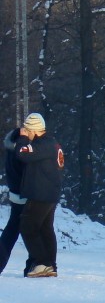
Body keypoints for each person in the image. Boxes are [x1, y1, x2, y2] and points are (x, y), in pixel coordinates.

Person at [15, 113, 64, 278]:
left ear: (33, 130)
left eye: (27, 130)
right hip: (50, 193)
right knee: (45, 229)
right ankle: (51, 265)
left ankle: (43, 263)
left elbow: (22, 153)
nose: (25, 133)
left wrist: (21, 139)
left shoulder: (42, 144)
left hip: (40, 194)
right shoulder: (52, 143)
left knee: (27, 227)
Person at [1, 123, 28, 275]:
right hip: (24, 195)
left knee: (12, 229)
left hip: (14, 194)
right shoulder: (20, 154)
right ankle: (38, 263)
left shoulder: (10, 151)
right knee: (32, 230)